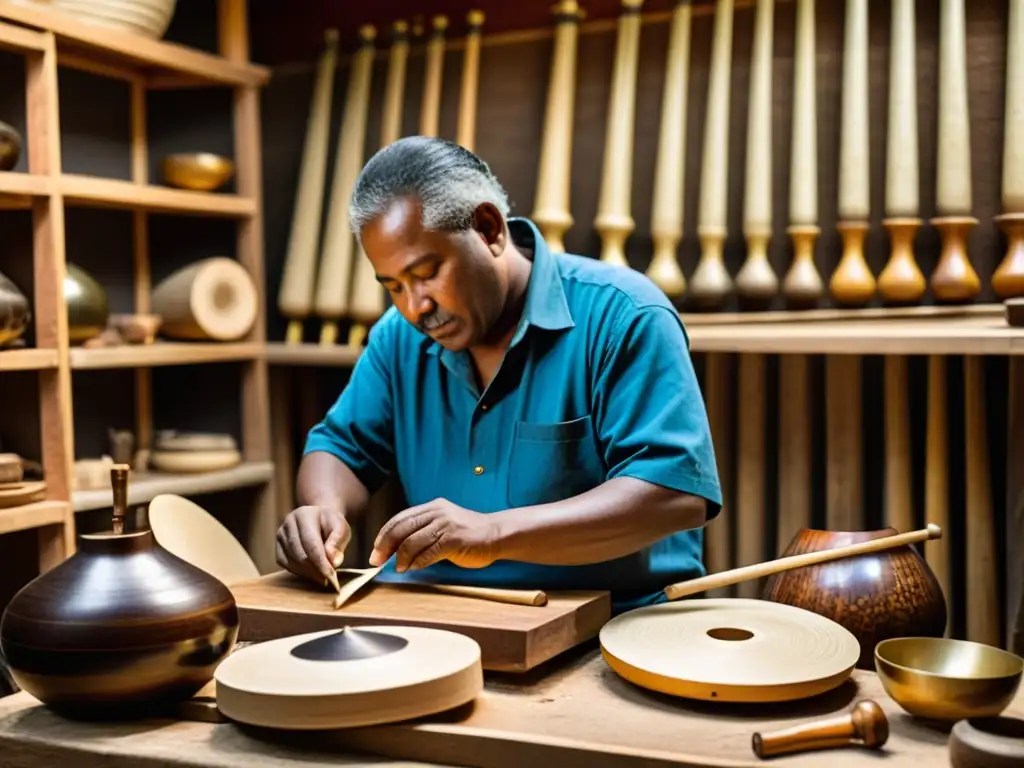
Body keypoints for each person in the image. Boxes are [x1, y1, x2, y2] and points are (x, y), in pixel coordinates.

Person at [276, 136, 722, 614]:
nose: (414, 306)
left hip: (614, 622)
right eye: (394, 287)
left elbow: (675, 495)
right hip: (445, 614)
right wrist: (322, 509)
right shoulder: (397, 339)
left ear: (489, 230)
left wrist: (493, 533)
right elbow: (340, 448)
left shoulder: (624, 313)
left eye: (427, 272)